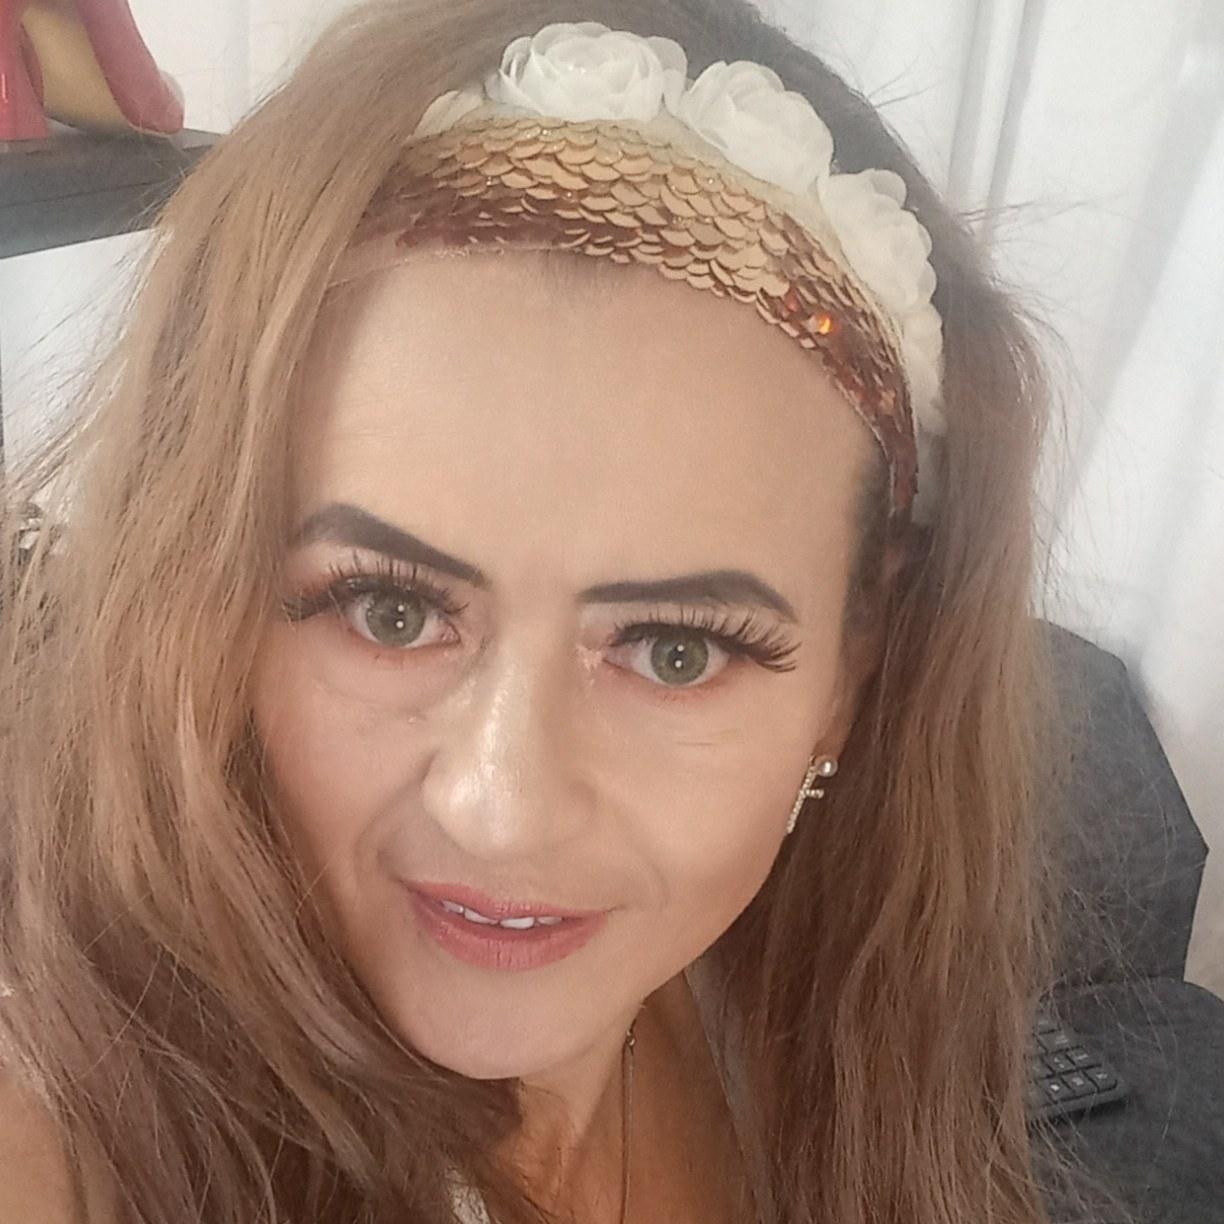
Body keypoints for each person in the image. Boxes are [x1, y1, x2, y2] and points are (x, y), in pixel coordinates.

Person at [0, 2, 1138, 1222]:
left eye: (677, 651)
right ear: (201, 590)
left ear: (853, 673)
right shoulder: (66, 1137)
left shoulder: (810, 1016)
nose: (504, 812)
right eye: (389, 611)